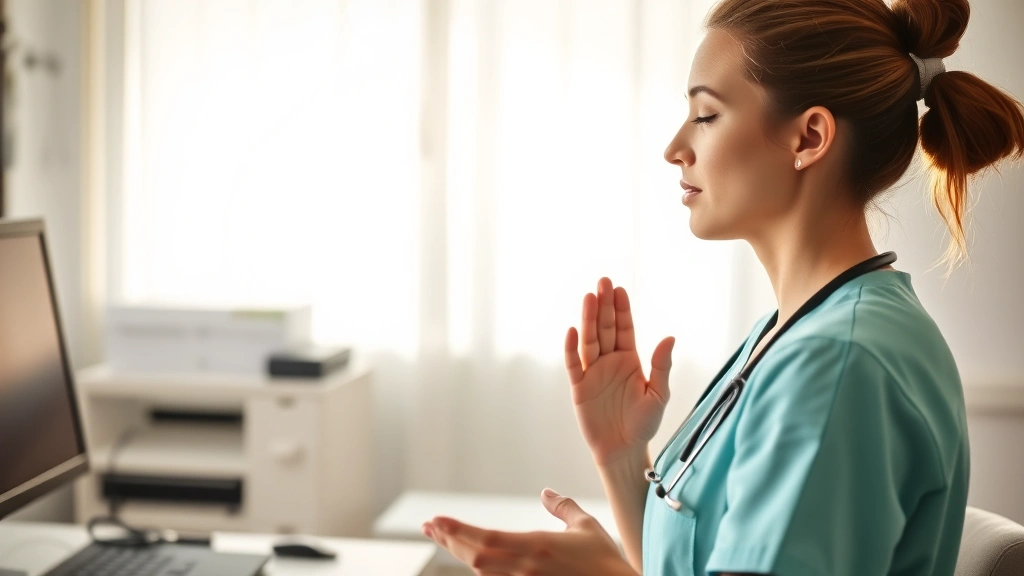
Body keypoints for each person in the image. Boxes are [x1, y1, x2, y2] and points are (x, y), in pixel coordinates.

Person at [421, 0, 1024, 573]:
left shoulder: (839, 363)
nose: (675, 148)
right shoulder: (798, 329)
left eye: (706, 115)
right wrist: (623, 455)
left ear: (808, 138)